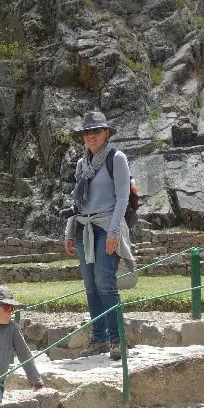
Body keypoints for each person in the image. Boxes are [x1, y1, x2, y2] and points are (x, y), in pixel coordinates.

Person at [64, 111, 134, 360]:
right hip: (85, 228)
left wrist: (114, 231)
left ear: (106, 133)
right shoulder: (82, 163)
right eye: (86, 133)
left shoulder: (117, 158)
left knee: (105, 282)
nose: (90, 137)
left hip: (107, 226)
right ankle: (100, 337)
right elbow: (77, 200)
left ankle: (117, 339)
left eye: (95, 132)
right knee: (91, 287)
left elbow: (123, 198)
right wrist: (70, 231)